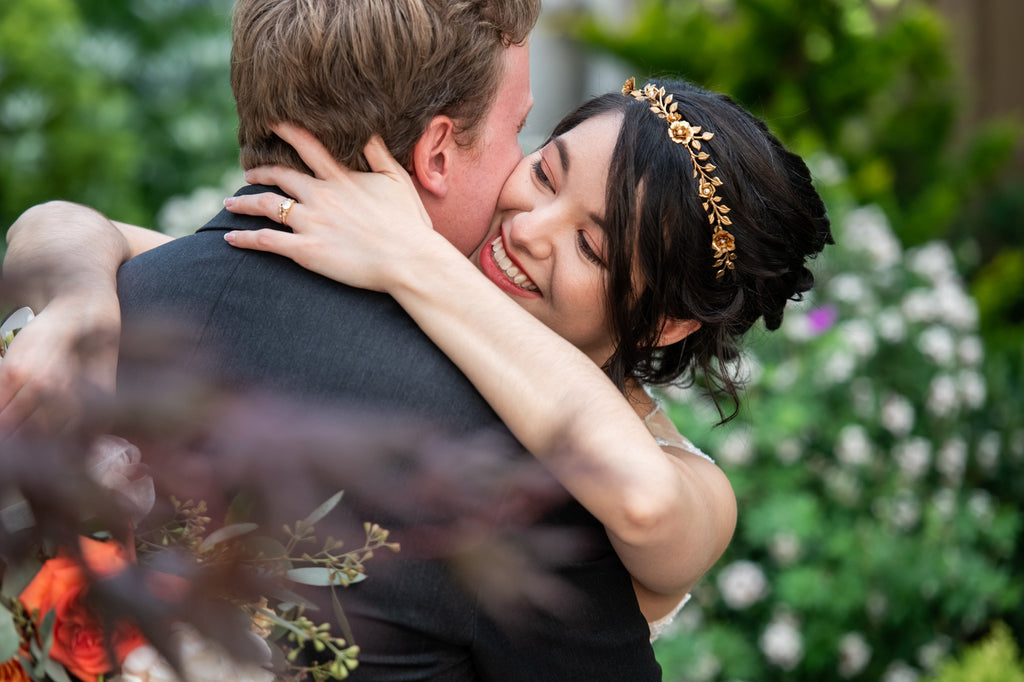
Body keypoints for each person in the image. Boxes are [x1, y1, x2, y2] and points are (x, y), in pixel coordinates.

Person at [2, 0, 669, 680]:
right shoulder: (501, 463)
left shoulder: (63, 341)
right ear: (437, 152)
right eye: (517, 132)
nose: (516, 177)